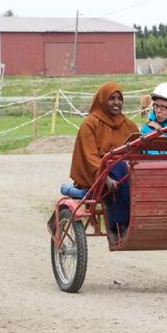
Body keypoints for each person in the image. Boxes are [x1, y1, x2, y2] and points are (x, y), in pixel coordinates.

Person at [64, 81, 139, 241]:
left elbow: (137, 152)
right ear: (103, 100)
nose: (117, 102)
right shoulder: (90, 124)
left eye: (120, 98)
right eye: (112, 98)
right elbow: (90, 157)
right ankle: (116, 226)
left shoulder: (129, 125)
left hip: (124, 172)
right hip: (97, 174)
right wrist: (106, 178)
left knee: (124, 169)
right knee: (119, 168)